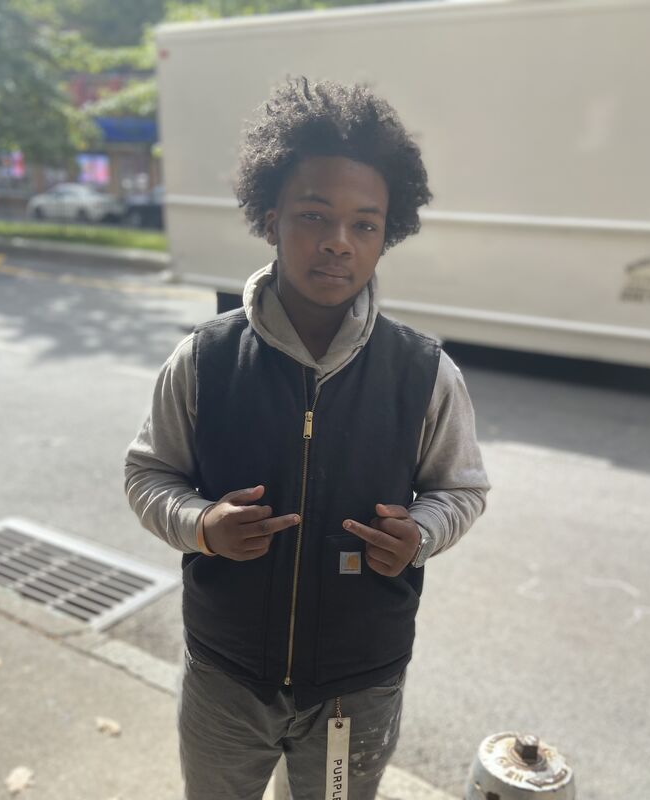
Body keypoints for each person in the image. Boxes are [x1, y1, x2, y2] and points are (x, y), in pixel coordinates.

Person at [124, 77, 490, 800]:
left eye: (365, 225)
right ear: (271, 219)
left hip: (358, 686)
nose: (337, 242)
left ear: (387, 235)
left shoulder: (424, 372)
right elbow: (148, 474)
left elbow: (461, 489)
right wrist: (201, 525)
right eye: (313, 215)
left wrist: (420, 534)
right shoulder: (205, 359)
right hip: (225, 676)